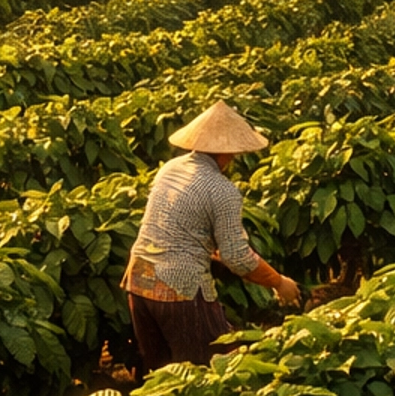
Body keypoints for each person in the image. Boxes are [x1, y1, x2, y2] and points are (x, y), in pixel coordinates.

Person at [120, 100, 301, 376]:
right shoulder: (222, 190)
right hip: (180, 288)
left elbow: (176, 228)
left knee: (159, 377)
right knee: (213, 372)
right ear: (228, 153)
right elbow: (238, 257)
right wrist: (279, 282)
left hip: (139, 280)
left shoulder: (170, 167)